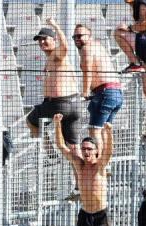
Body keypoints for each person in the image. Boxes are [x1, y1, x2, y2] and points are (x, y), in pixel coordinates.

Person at [52, 114, 115, 226]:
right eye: (83, 149)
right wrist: (57, 124)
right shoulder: (79, 165)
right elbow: (61, 146)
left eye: (89, 149)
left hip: (101, 214)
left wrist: (108, 133)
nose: (86, 152)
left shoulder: (100, 166)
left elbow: (108, 151)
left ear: (95, 151)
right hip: (85, 213)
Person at [113, 0, 146, 141]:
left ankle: (135, 62)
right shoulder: (138, 5)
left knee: (118, 33)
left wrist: (130, 27)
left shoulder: (141, 4)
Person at [27, 18, 82, 149]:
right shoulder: (53, 59)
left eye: (45, 38)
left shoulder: (56, 54)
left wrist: (55, 25)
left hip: (58, 104)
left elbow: (65, 46)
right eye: (39, 40)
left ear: (54, 40)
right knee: (73, 146)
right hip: (72, 105)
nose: (41, 42)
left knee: (31, 121)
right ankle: (81, 168)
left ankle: (48, 153)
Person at [73, 24, 123, 154]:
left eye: (80, 36)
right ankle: (106, 162)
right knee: (105, 130)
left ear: (90, 36)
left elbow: (87, 71)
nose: (77, 39)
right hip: (116, 93)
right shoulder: (98, 47)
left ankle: (100, 164)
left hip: (105, 92)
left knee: (95, 130)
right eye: (74, 37)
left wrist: (84, 93)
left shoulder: (86, 49)